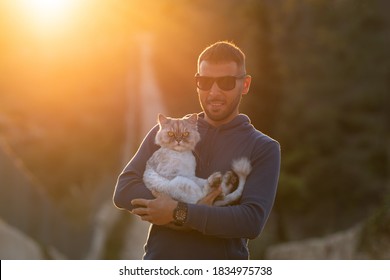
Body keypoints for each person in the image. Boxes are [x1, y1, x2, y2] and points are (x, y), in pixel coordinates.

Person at [113, 41, 280, 259]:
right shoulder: (167, 132)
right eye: (205, 82)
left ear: (245, 85)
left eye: (226, 82)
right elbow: (125, 190)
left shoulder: (263, 148)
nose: (214, 92)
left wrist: (179, 212)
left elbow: (250, 221)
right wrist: (183, 213)